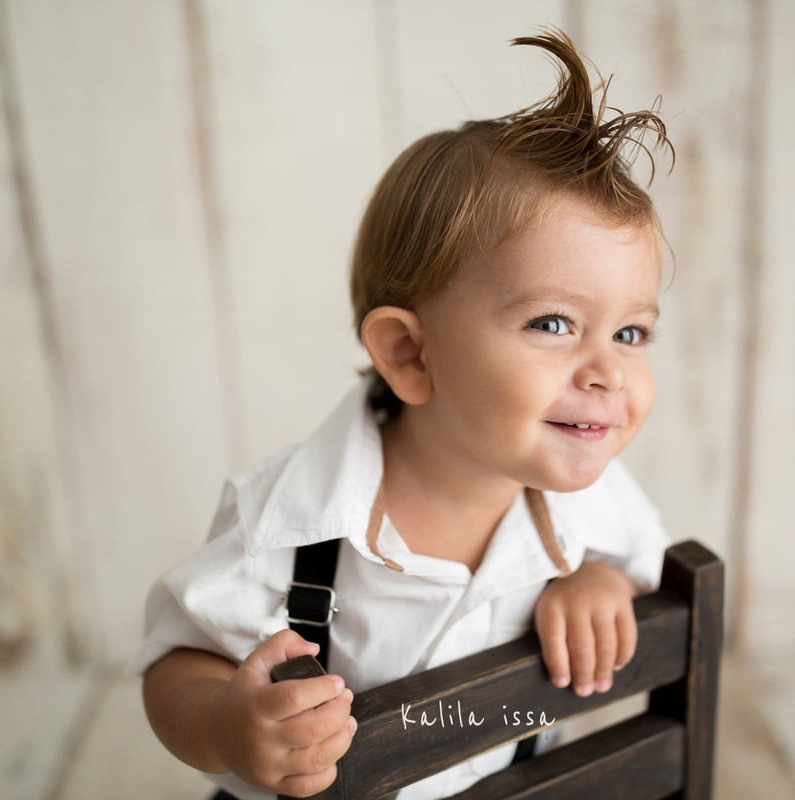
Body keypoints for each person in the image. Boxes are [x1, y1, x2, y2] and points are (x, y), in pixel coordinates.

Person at [127, 26, 676, 800]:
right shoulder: (286, 526)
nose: (607, 371)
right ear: (412, 355)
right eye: (553, 323)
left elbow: (645, 573)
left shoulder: (591, 499)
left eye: (632, 332)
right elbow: (173, 665)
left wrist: (599, 584)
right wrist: (226, 725)